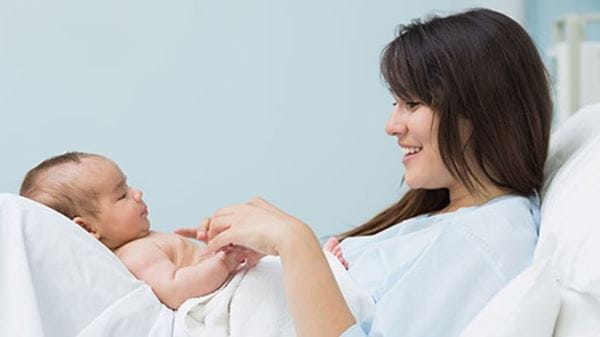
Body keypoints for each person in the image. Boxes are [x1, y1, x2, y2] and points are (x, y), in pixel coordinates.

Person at [177, 8, 552, 337]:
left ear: (483, 108)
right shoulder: (445, 219)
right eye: (395, 102)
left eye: (413, 103)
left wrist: (293, 242)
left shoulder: (487, 241)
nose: (392, 125)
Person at [19, 152, 253, 310]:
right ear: (88, 228)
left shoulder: (142, 242)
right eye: (121, 195)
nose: (137, 193)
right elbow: (175, 290)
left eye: (128, 185)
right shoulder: (134, 255)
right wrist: (225, 261)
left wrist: (213, 246)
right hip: (232, 295)